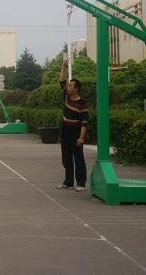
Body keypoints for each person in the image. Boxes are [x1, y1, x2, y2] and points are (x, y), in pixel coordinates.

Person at [58, 59, 89, 192]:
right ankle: (68, 182)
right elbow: (61, 81)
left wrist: (81, 138)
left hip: (75, 132)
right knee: (66, 159)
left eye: (71, 86)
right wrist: (63, 67)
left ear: (76, 88)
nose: (68, 87)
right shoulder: (66, 96)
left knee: (78, 158)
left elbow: (84, 123)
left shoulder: (82, 104)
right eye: (68, 86)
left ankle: (81, 183)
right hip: (64, 131)